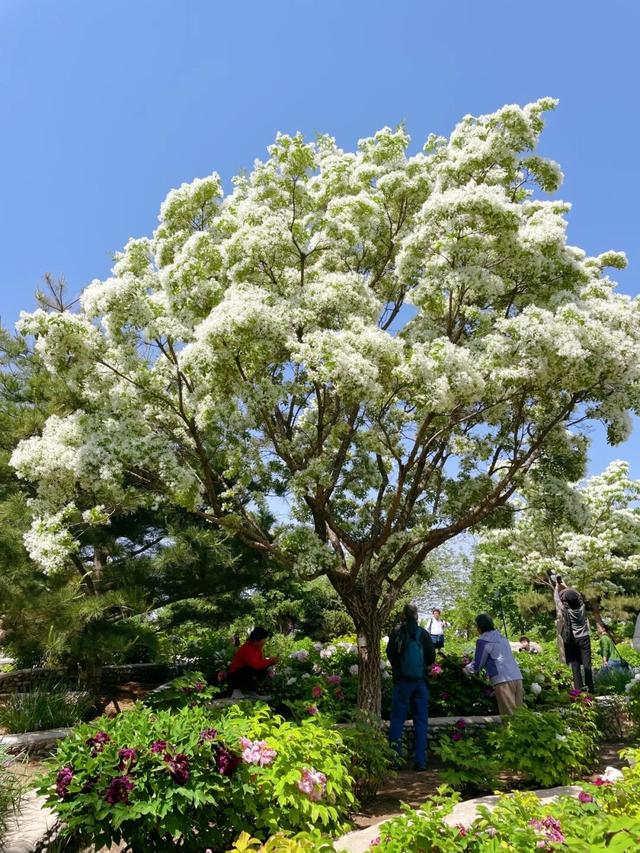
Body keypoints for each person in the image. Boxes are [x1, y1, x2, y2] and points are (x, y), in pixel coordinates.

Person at [386, 603, 436, 771]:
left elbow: (390, 654)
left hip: (402, 682)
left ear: (403, 615)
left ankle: (395, 760)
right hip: (420, 682)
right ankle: (421, 762)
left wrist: (400, 667)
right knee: (421, 720)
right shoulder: (423, 634)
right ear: (416, 616)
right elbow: (431, 656)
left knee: (397, 720)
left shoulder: (397, 633)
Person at [465, 614, 524, 715]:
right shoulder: (502, 638)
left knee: (508, 717)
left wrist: (467, 669)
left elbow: (478, 664)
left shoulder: (483, 640)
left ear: (479, 627)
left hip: (502, 680)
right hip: (517, 677)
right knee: (520, 716)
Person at [554, 581, 594, 693]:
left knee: (575, 666)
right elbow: (578, 595)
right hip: (584, 638)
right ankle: (590, 690)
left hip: (571, 639)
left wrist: (557, 588)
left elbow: (557, 600)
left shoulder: (565, 610)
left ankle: (578, 692)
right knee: (587, 665)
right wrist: (566, 586)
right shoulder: (582, 607)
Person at [228, 627, 278, 698]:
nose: (265, 642)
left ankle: (251, 689)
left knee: (264, 669)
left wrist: (271, 662)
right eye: (263, 640)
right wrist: (270, 661)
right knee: (251, 669)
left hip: (245, 672)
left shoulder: (258, 648)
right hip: (235, 676)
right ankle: (239, 690)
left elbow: (261, 662)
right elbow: (256, 665)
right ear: (256, 640)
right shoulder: (247, 648)